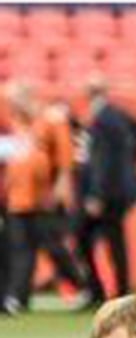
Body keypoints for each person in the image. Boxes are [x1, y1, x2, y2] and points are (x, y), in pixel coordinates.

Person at [3, 81, 90, 315]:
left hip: (44, 197)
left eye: (15, 101)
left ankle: (82, 284)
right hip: (18, 198)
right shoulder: (18, 124)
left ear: (28, 96)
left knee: (53, 246)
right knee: (21, 249)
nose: (12, 107)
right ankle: (17, 298)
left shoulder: (52, 119)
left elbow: (64, 158)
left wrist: (62, 187)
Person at [77, 76, 136, 302]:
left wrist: (96, 194)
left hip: (108, 192)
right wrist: (129, 162)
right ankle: (115, 290)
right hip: (118, 188)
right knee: (108, 237)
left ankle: (106, 290)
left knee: (92, 236)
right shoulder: (113, 113)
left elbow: (102, 159)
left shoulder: (102, 118)